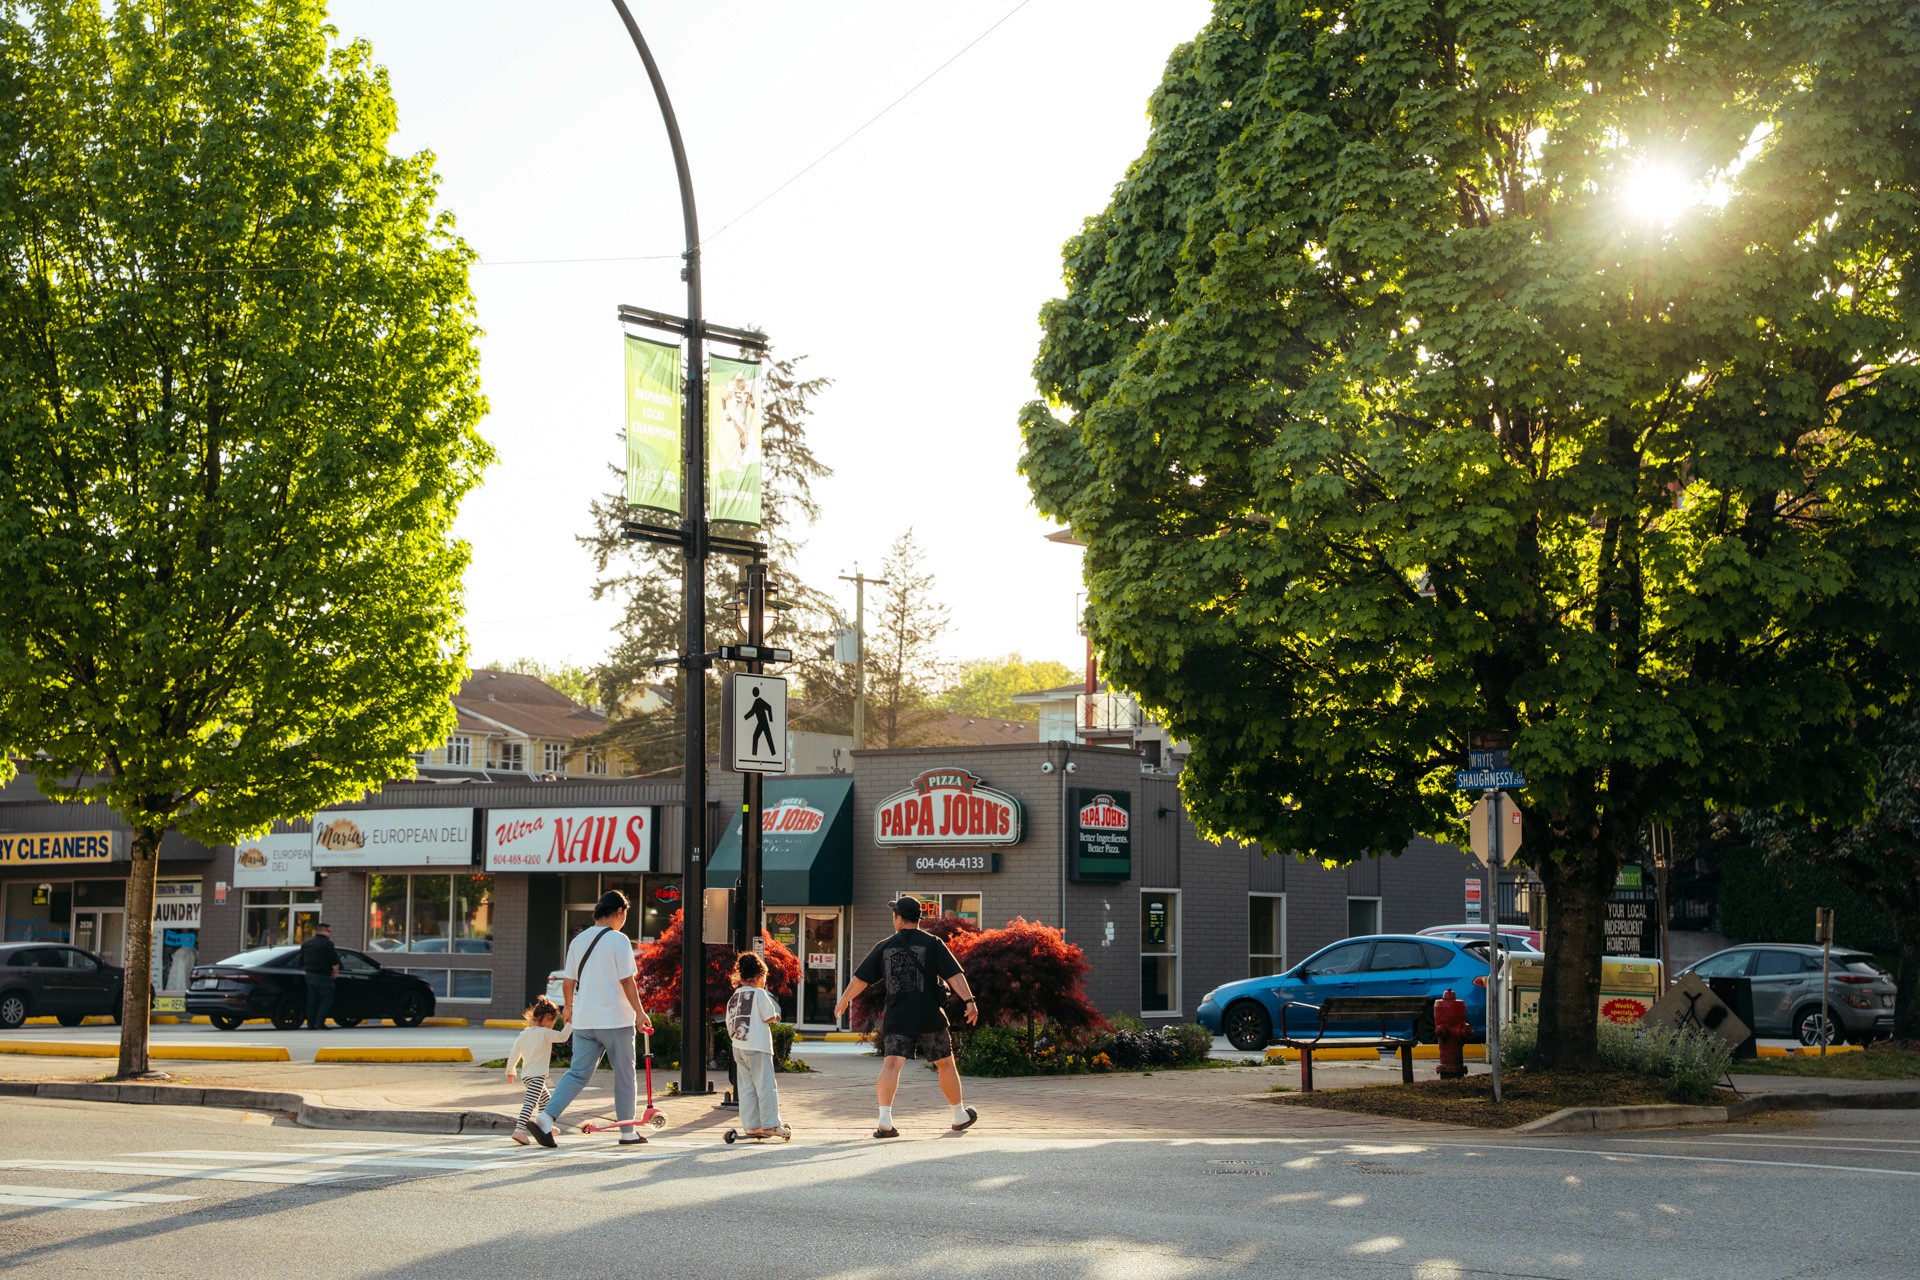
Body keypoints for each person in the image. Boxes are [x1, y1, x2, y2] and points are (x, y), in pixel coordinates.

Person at [834, 897, 980, 1138]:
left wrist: (844, 999)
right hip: (928, 1014)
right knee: (944, 1062)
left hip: (897, 1015)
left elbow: (861, 978)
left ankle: (884, 1119)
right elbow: (955, 975)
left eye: (894, 915)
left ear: (899, 919)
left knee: (891, 1063)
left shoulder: (885, 946)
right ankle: (958, 1115)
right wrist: (969, 1001)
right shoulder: (933, 943)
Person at [529, 891, 653, 1148]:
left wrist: (569, 1008)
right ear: (619, 912)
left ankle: (545, 1118)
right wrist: (640, 1013)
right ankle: (627, 1132)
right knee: (624, 1075)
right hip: (615, 1020)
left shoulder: (578, 941)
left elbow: (568, 981)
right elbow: (627, 981)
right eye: (625, 915)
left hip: (584, 1020)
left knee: (577, 1073)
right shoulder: (619, 941)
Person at [725, 952, 788, 1140]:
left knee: (746, 1087)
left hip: (739, 1046)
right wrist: (777, 1016)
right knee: (766, 1085)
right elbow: (769, 1016)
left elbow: (730, 1024)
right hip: (758, 1046)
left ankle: (752, 1126)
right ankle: (771, 1124)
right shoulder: (760, 994)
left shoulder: (734, 997)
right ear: (760, 976)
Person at [506, 996, 572, 1146]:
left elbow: (514, 1053)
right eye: (554, 1022)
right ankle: (519, 1130)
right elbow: (562, 1037)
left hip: (527, 1076)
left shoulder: (524, 1034)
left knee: (546, 1101)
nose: (553, 1025)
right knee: (530, 1103)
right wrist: (570, 1023)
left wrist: (510, 1070)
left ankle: (545, 1127)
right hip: (537, 1077)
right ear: (548, 1019)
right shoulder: (545, 1033)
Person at [298, 922, 340, 1030]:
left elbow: (300, 961)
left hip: (310, 975)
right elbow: (334, 960)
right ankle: (320, 1022)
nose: (330, 934)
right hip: (323, 975)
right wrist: (336, 973)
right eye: (329, 931)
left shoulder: (306, 944)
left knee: (312, 999)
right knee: (326, 998)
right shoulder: (327, 944)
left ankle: (310, 1023)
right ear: (324, 931)